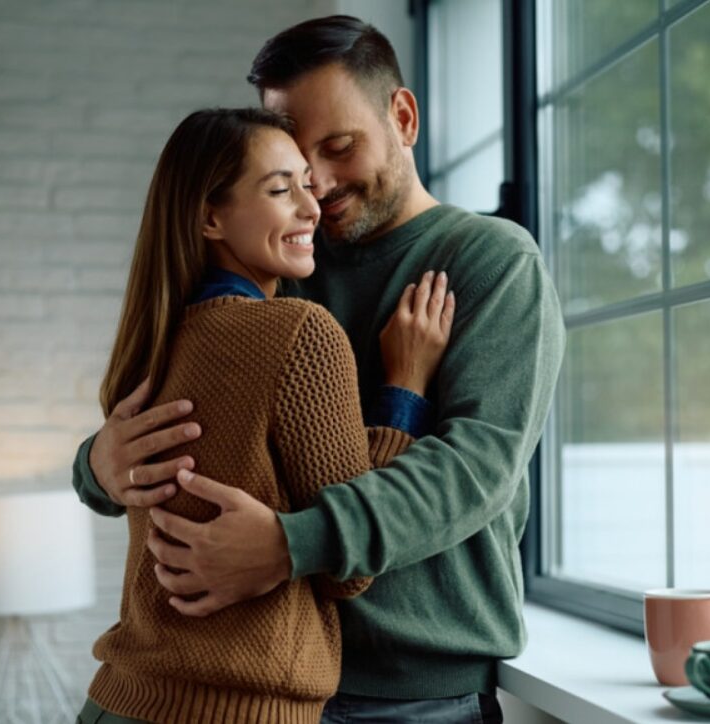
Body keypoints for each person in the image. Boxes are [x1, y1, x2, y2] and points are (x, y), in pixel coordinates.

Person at [72, 15, 566, 723]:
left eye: (338, 148)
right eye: (297, 168)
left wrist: (289, 545)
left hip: (408, 690)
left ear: (401, 116)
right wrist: (98, 465)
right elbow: (186, 415)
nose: (320, 188)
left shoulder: (490, 260)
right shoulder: (282, 260)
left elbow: (475, 465)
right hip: (265, 671)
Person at [76, 107, 455, 723]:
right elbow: (349, 571)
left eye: (308, 182)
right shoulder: (300, 333)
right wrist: (404, 389)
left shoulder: (152, 343)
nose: (312, 206)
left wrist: (89, 464)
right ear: (209, 216)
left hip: (117, 699)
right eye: (281, 189)